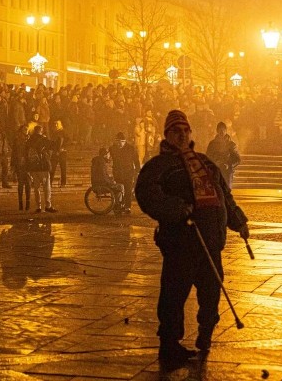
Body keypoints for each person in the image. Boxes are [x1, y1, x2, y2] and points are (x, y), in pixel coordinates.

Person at [135, 109, 249, 368]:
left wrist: (238, 220)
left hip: (210, 241)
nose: (182, 135)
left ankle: (205, 334)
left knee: (211, 294)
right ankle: (170, 344)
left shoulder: (205, 163)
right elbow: (147, 194)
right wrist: (176, 208)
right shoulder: (158, 167)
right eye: (177, 131)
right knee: (174, 297)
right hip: (181, 243)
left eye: (186, 131)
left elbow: (224, 195)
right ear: (167, 135)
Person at [26, 125, 56, 213]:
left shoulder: (29, 140)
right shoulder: (43, 139)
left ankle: (38, 206)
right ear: (41, 131)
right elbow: (53, 145)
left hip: (33, 167)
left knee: (36, 188)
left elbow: (26, 153)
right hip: (43, 167)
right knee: (46, 187)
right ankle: (48, 205)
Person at [109, 131, 139, 214]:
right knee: (118, 190)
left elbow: (136, 161)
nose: (119, 144)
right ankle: (118, 205)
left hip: (128, 173)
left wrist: (137, 171)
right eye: (118, 141)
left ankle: (127, 207)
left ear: (125, 141)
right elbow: (107, 158)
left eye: (121, 142)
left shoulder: (131, 149)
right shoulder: (112, 148)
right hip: (117, 172)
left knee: (128, 190)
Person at [205, 122, 241, 188]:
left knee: (227, 191)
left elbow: (237, 159)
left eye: (223, 130)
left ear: (226, 131)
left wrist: (228, 164)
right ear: (217, 131)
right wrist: (215, 162)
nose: (221, 132)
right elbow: (207, 157)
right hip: (215, 171)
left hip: (227, 172)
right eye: (220, 130)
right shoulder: (212, 144)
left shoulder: (231, 144)